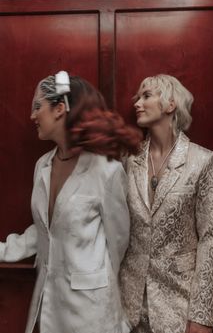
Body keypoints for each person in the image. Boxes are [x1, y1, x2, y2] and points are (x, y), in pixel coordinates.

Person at [0, 71, 141, 333]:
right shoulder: (42, 165)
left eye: (37, 107)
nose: (32, 115)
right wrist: (4, 251)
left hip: (92, 312)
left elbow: (118, 242)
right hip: (49, 306)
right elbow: (46, 231)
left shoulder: (105, 169)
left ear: (60, 108)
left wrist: (90, 279)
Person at [119, 74, 213, 333]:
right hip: (127, 308)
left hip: (178, 309)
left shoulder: (203, 162)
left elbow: (210, 239)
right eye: (137, 98)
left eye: (146, 96)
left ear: (170, 105)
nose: (137, 104)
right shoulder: (128, 161)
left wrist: (202, 316)